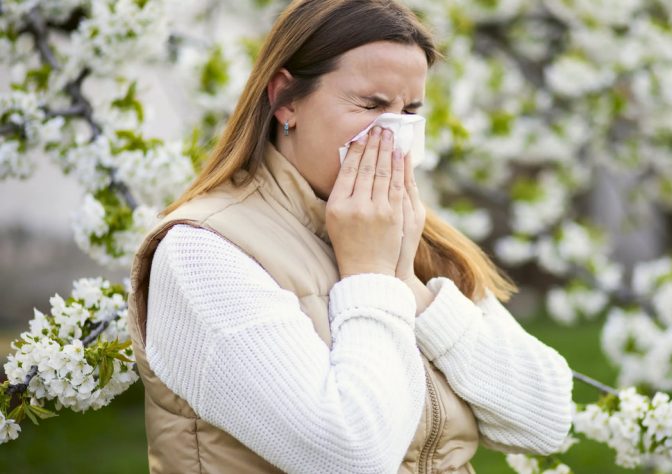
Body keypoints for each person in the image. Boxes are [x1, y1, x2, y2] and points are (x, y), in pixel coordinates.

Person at [126, 0, 574, 472]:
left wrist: (409, 285)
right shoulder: (202, 251)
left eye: (411, 109)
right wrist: (372, 274)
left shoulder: (405, 229)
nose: (394, 133)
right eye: (372, 105)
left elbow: (544, 420)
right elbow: (351, 455)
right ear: (287, 100)